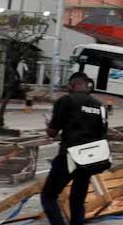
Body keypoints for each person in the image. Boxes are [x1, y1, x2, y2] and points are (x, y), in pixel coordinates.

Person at [42, 72, 107, 225]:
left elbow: (52, 132)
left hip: (69, 156)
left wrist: (49, 125)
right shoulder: (99, 106)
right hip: (89, 160)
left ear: (72, 85)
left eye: (69, 87)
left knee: (48, 195)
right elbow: (103, 133)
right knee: (78, 199)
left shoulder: (66, 101)